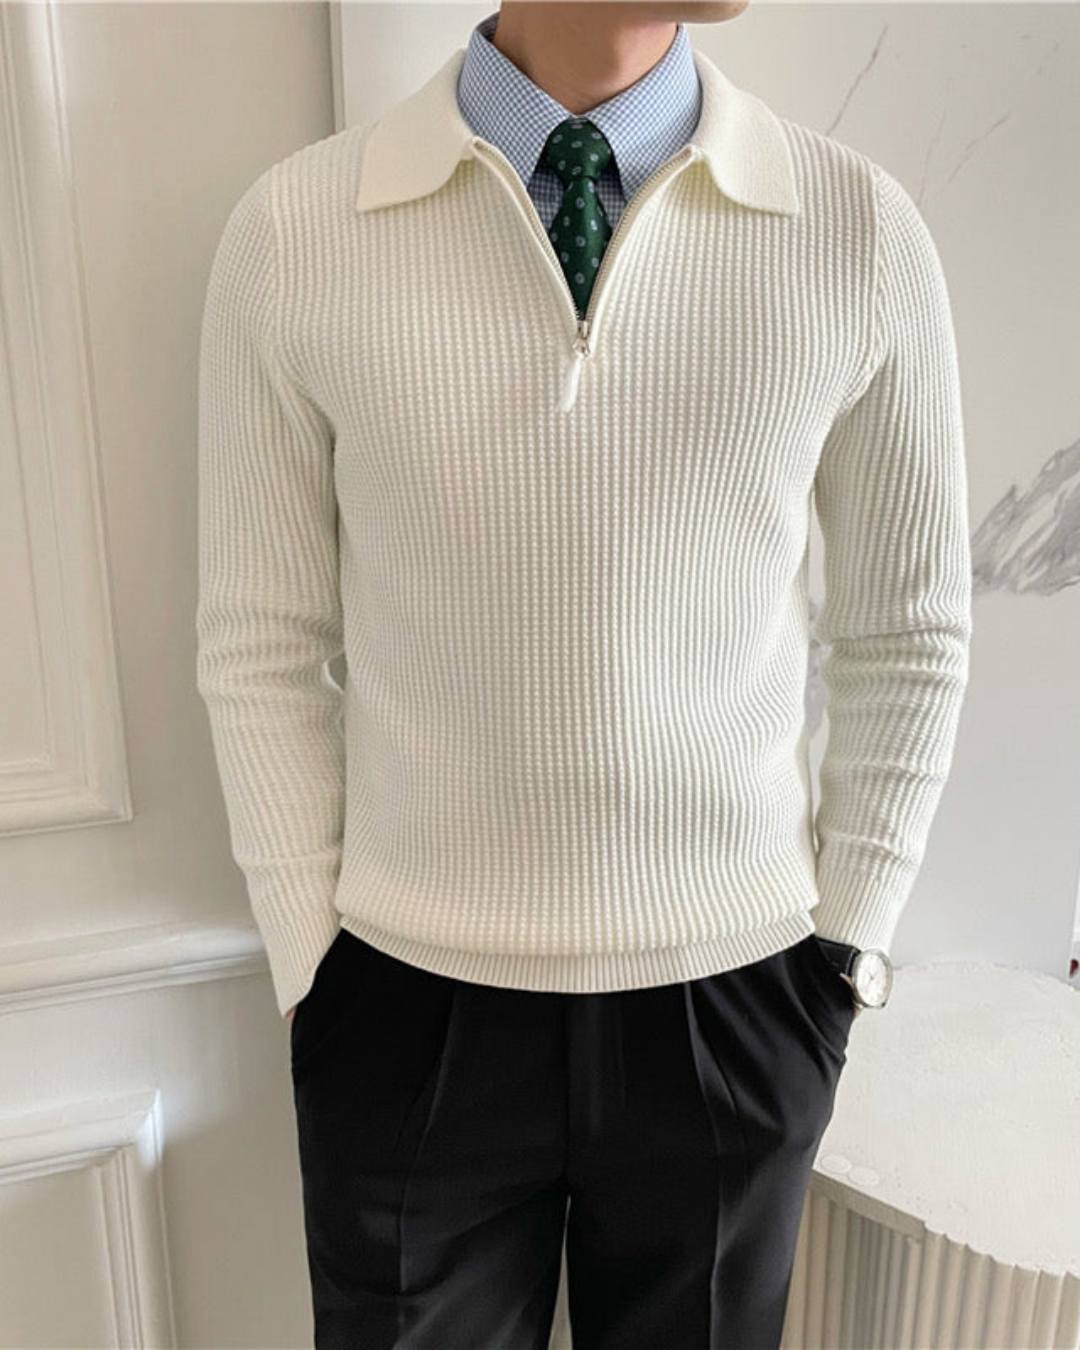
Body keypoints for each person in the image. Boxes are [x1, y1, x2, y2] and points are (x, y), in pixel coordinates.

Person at [195, 2, 972, 1346]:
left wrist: (846, 952)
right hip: (404, 999)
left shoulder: (856, 231)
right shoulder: (297, 233)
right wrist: (312, 966)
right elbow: (261, 639)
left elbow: (909, 627)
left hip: (738, 996)